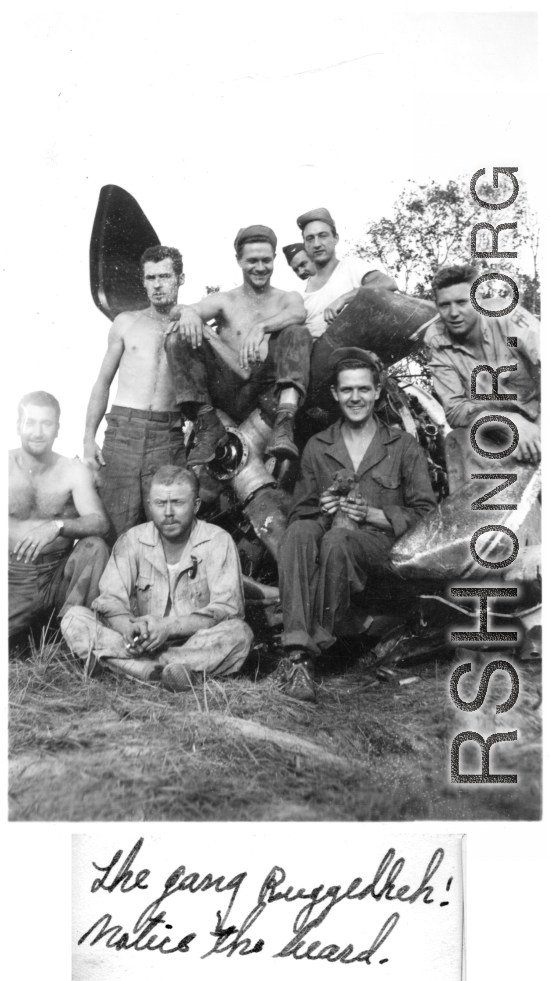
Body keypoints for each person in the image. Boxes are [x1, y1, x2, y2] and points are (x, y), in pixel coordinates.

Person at [276, 350, 436, 701]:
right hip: (330, 530)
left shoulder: (403, 445)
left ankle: (307, 651)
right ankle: (297, 654)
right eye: (347, 390)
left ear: (377, 391)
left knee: (339, 540)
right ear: (335, 394)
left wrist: (373, 514)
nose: (355, 397)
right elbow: (299, 512)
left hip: (380, 545)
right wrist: (322, 506)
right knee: (298, 534)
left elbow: (427, 513)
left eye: (364, 389)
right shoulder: (319, 446)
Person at [61, 466, 253, 690]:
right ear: (150, 506)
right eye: (161, 504)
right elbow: (110, 602)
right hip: (139, 642)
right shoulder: (132, 540)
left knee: (240, 634)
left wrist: (167, 628)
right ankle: (160, 672)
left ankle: (130, 668)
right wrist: (131, 631)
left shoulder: (218, 541)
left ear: (196, 506)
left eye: (178, 503)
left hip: (193, 642)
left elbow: (227, 609)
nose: (168, 513)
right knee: (74, 617)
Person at [166, 225, 312, 464]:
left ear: (275, 259)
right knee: (177, 333)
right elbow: (180, 311)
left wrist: (261, 327)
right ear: (239, 260)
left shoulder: (287, 298)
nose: (260, 268)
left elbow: (298, 313)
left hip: (267, 393)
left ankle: (285, 424)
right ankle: (207, 424)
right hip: (228, 388)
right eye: (252, 261)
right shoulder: (225, 300)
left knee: (297, 332)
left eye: (266, 260)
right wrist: (187, 312)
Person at [83, 245, 188, 542]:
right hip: (123, 434)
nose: (157, 285)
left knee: (169, 529)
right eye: (150, 277)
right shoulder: (127, 323)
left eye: (165, 276)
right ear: (142, 281)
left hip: (167, 435)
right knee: (114, 528)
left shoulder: (191, 326)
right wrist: (88, 439)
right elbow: (102, 383)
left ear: (180, 279)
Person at [426, 264, 540, 492]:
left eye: (461, 302)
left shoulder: (506, 315)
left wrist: (539, 427)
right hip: (496, 423)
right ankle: (483, 522)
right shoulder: (436, 339)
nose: (453, 313)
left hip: (539, 413)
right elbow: (455, 409)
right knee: (458, 440)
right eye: (445, 305)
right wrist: (512, 423)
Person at [9, 391, 109, 641]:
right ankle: (32, 632)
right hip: (11, 574)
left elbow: (100, 522)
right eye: (30, 422)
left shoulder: (72, 471)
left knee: (94, 548)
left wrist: (57, 525)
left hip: (55, 575)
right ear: (17, 425)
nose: (38, 432)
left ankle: (73, 634)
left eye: (46, 423)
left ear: (57, 429)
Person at [297, 207, 397, 339]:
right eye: (310, 238)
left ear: (335, 238)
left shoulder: (349, 266)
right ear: (304, 245)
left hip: (352, 350)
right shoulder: (300, 290)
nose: (316, 244)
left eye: (323, 236)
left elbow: (388, 283)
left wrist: (342, 299)